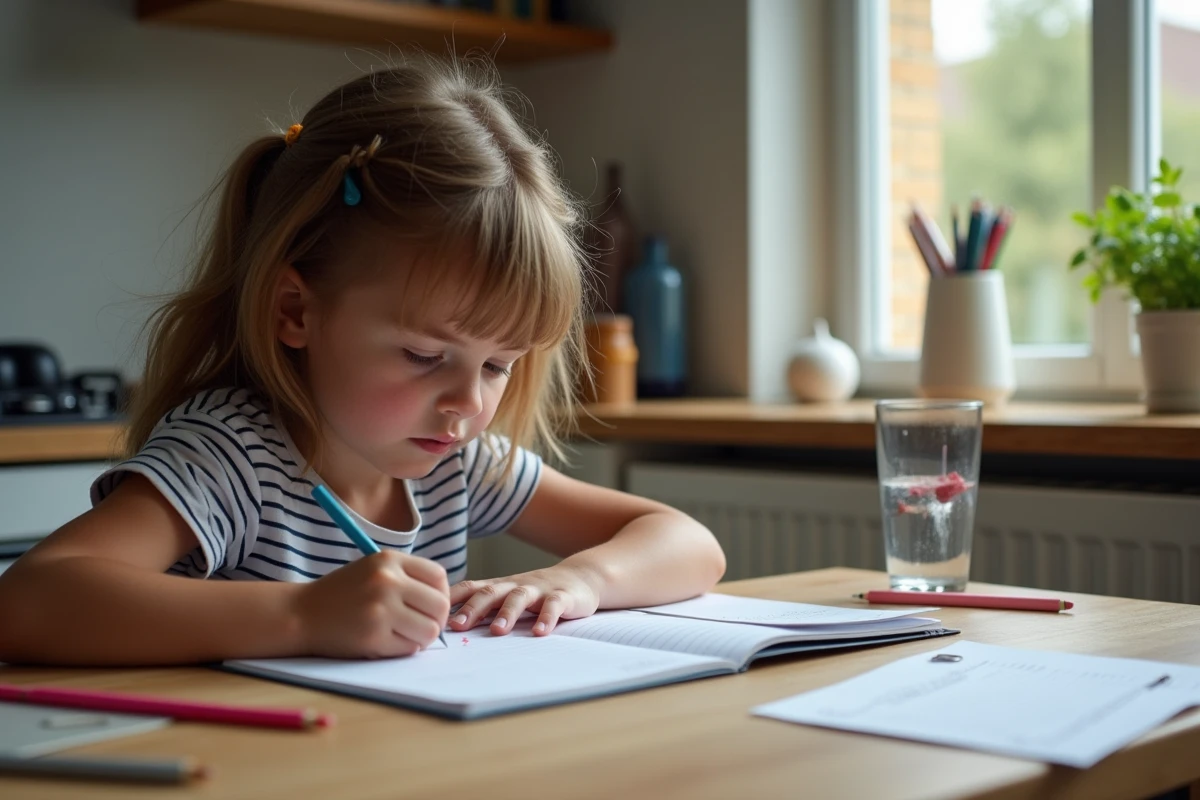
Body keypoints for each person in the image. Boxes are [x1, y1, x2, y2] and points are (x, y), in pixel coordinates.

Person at [0, 55, 725, 666]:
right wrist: (302, 616)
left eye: (499, 365)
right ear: (296, 312)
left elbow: (689, 543)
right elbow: (30, 600)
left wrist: (584, 580)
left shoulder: (456, 463)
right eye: (423, 353)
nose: (467, 403)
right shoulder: (234, 455)